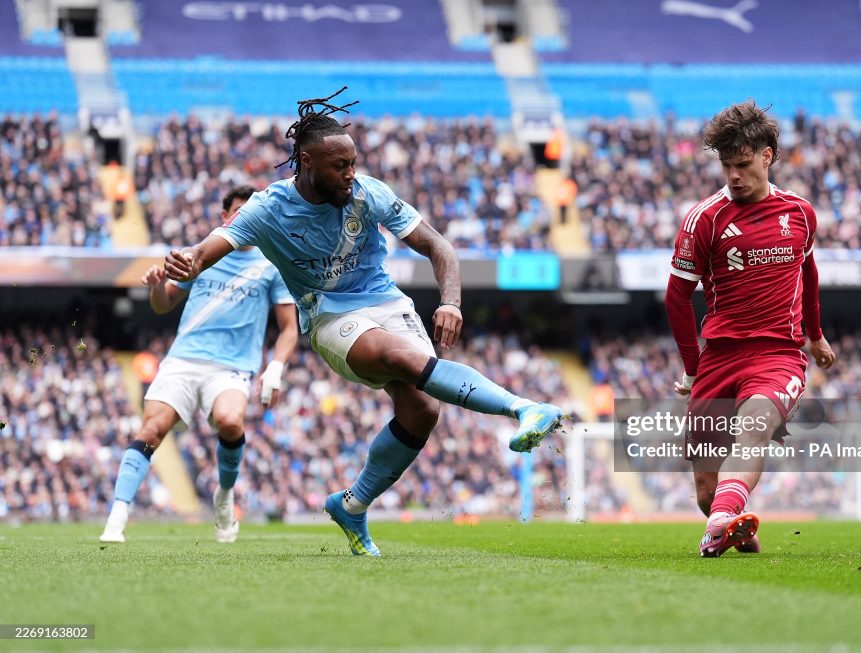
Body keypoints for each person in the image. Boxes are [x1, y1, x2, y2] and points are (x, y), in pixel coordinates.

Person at [163, 89, 565, 556]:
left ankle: (352, 504)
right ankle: (523, 409)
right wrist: (188, 262)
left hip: (386, 302)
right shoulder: (267, 209)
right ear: (307, 162)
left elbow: (439, 247)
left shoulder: (368, 193)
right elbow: (208, 249)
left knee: (423, 411)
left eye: (353, 163)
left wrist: (450, 302)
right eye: (340, 166)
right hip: (329, 314)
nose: (351, 174)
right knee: (401, 357)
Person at [665, 101, 835, 557]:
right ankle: (727, 519)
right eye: (726, 166)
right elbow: (676, 297)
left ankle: (720, 522)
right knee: (705, 490)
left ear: (768, 155)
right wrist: (691, 369)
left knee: (755, 425)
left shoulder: (800, 213)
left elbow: (809, 273)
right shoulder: (706, 219)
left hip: (778, 354)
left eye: (742, 164)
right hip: (719, 357)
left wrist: (815, 335)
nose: (733, 175)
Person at [100, 185, 299, 544]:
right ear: (226, 218)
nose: (247, 220)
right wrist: (158, 286)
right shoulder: (203, 255)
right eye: (239, 213)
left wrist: (276, 368)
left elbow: (289, 329)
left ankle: (224, 495)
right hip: (183, 359)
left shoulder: (272, 266)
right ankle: (117, 515)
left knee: (229, 420)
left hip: (232, 366)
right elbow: (163, 305)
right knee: (152, 429)